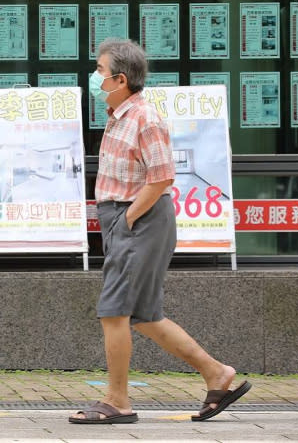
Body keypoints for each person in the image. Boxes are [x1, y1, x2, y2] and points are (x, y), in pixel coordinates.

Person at [69, 38, 251, 424]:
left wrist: (128, 218)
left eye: (100, 70)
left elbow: (162, 176)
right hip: (131, 219)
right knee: (146, 315)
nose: (94, 76)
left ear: (120, 79)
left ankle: (117, 402)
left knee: (114, 311)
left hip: (140, 218)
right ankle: (217, 374)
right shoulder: (119, 114)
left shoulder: (144, 118)